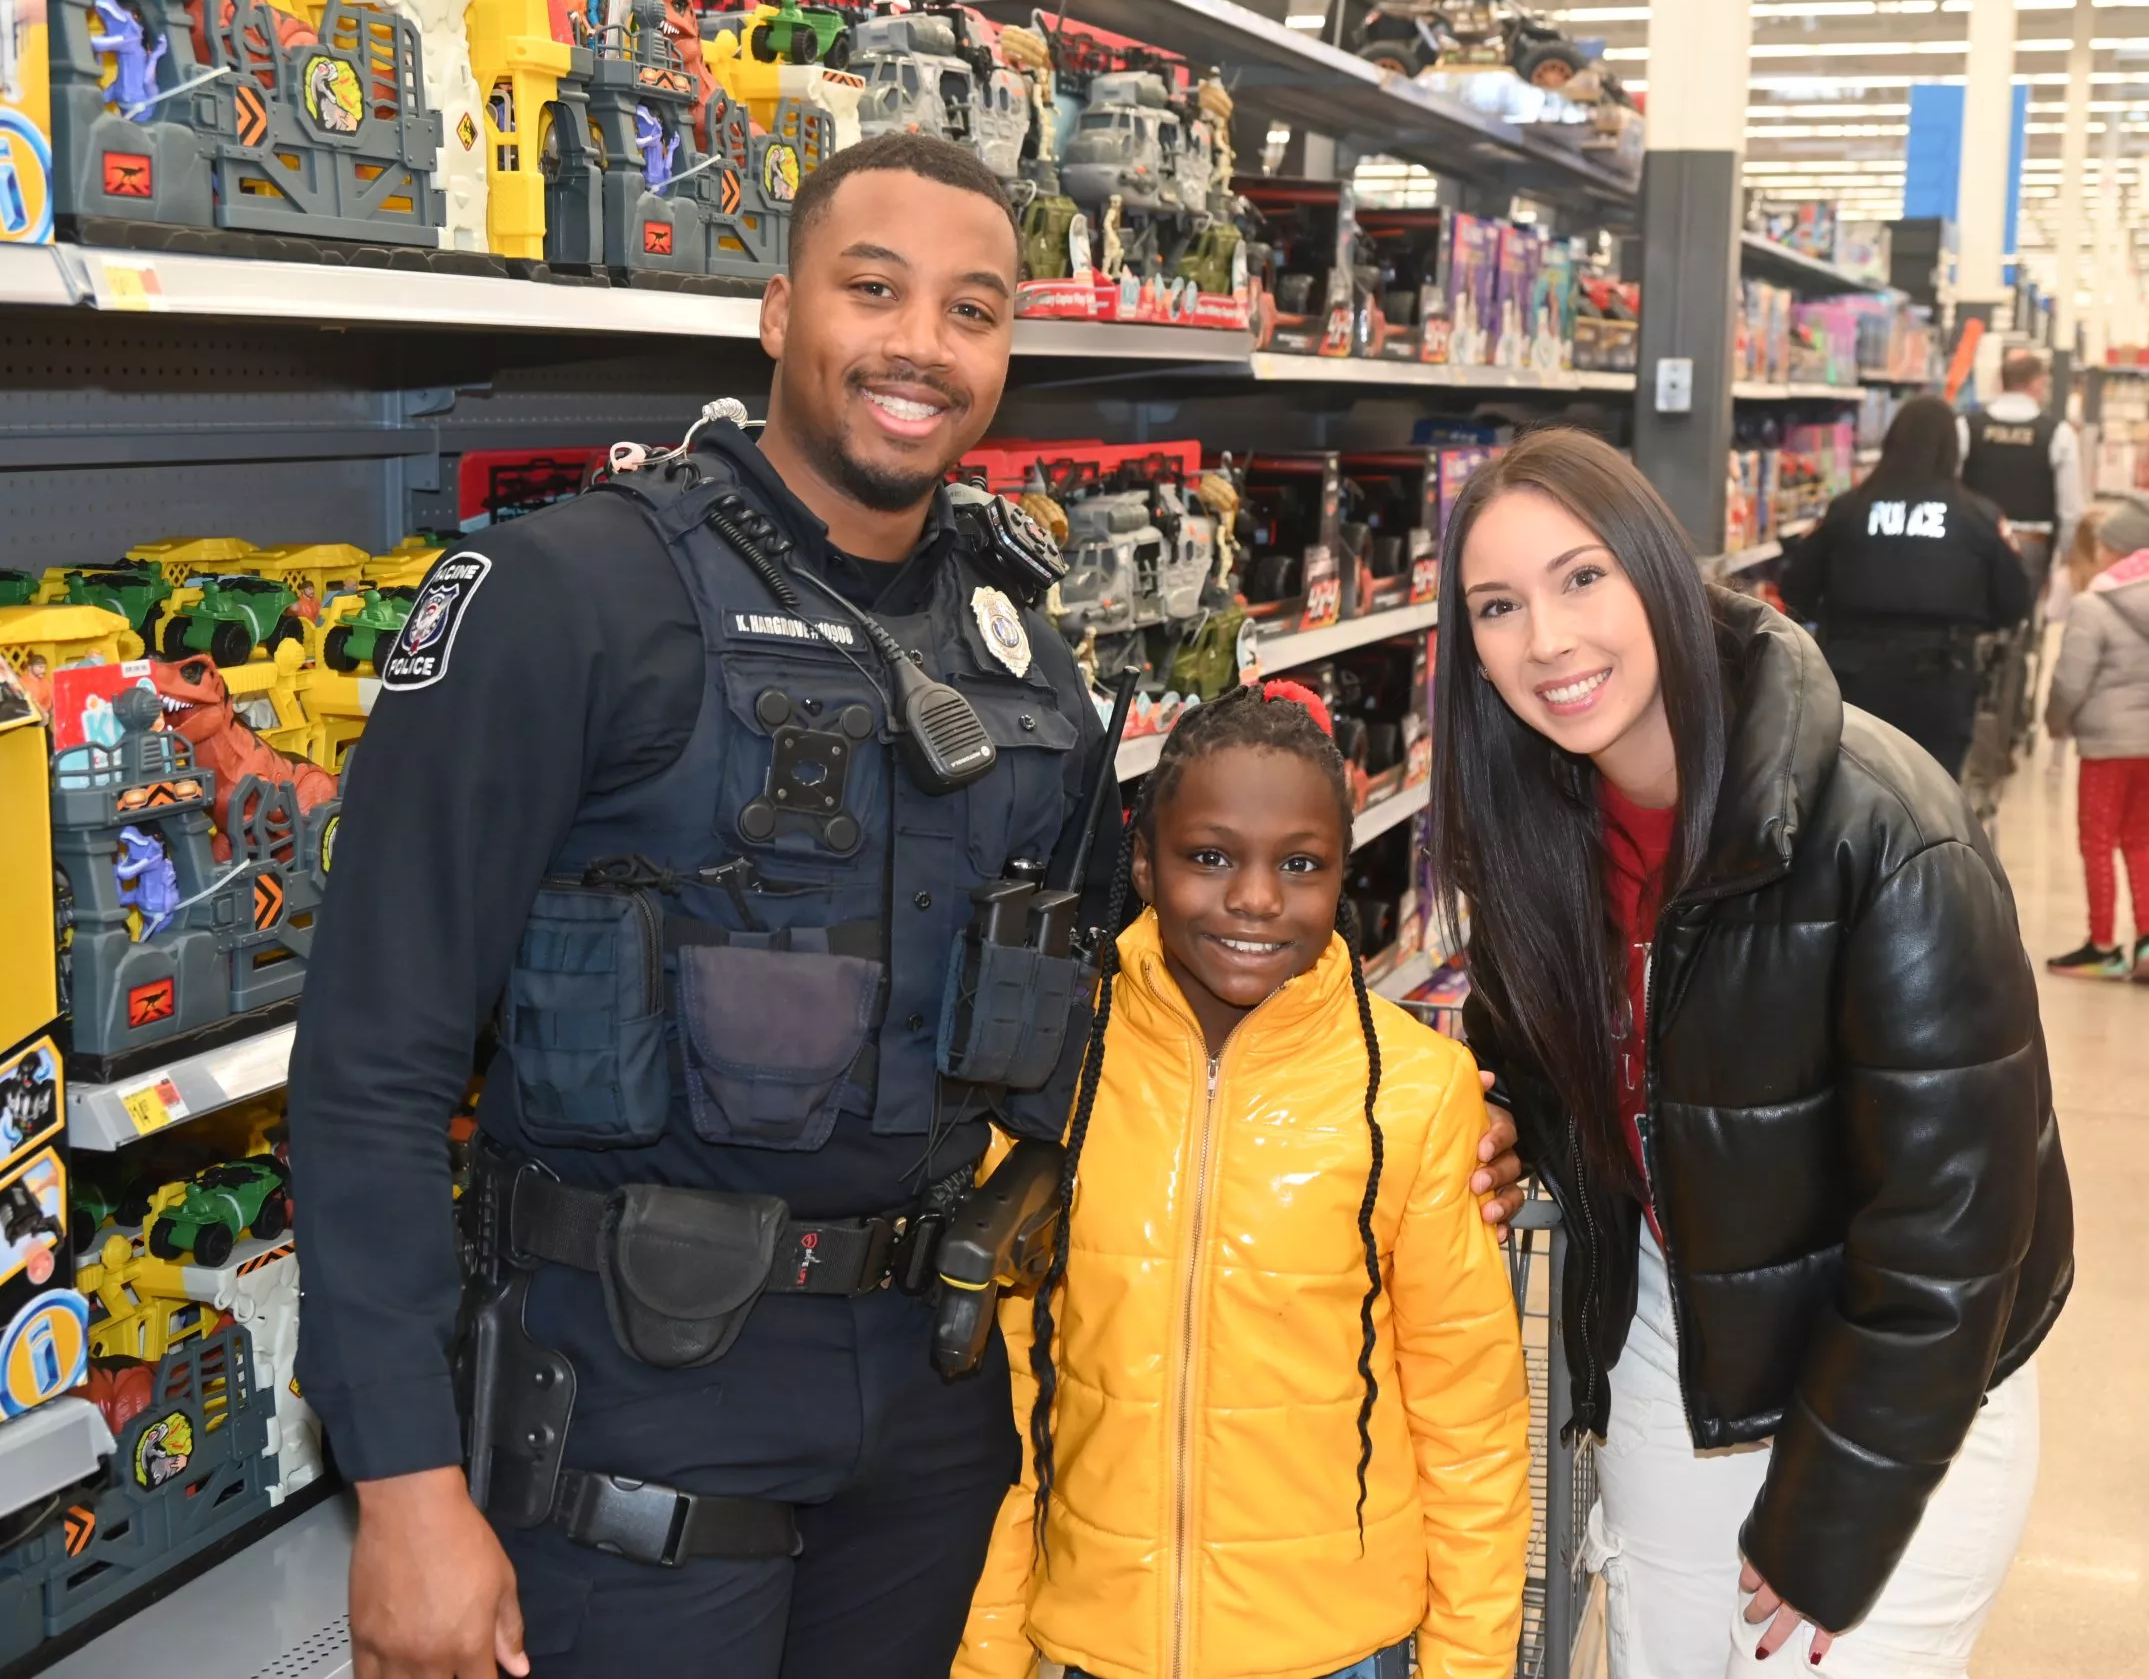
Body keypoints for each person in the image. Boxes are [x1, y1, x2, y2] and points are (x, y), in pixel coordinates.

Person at [288, 131, 1533, 1679]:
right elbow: (370, 1063)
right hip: (641, 1389)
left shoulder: (1027, 658)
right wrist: (404, 1482)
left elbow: (1117, 994)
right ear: (775, 310)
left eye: (972, 309)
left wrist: (1424, 1106)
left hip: (929, 1409)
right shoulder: (571, 598)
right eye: (874, 290)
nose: (919, 346)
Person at [1436, 428, 2073, 1678]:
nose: (1548, 642)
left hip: (1905, 1360)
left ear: (1662, 575)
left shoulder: (1886, 829)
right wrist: (1509, 1116)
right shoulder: (1535, 827)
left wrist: (1830, 1521)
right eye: (1497, 607)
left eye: (1581, 579)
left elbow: (1950, 1234)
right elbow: (1566, 1058)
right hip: (1682, 1321)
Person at [957, 682, 1531, 1679]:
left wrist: (1468, 1666)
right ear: (1143, 860)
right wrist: (987, 1651)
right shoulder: (1055, 1071)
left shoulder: (1415, 1089)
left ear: (1341, 872)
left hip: (1341, 1647)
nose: (1257, 897)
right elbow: (1011, 1395)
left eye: (1298, 863)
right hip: (1101, 1641)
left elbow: (1469, 1422)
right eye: (1210, 855)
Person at [1780, 394, 2033, 778]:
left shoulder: (1847, 509)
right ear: (1953, 450)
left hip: (1852, 673)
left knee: (1853, 785)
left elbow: (1796, 588)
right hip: (1941, 677)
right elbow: (2014, 601)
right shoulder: (1979, 517)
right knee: (1933, 795)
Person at [2042, 493, 2149, 985]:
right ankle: (2148, 938)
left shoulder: (2095, 603)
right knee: (2138, 839)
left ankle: (2103, 945)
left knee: (2097, 839)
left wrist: (2056, 721)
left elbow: (2071, 679)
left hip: (2108, 741)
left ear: (2120, 550)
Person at [1958, 347, 2086, 598]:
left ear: (2000, 382)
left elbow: (1949, 484)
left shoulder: (1966, 428)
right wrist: (2063, 558)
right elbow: (2071, 509)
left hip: (1973, 539)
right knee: (2022, 621)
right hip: (2031, 543)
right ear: (2038, 383)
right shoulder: (2058, 434)